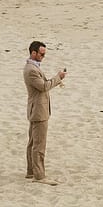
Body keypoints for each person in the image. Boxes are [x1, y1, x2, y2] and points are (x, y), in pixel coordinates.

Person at [24, 41, 66, 185]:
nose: (43, 57)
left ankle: (31, 171)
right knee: (39, 145)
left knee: (33, 142)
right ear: (33, 53)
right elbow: (43, 87)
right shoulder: (31, 70)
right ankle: (39, 175)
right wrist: (58, 77)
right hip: (38, 111)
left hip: (36, 109)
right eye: (41, 54)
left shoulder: (33, 67)